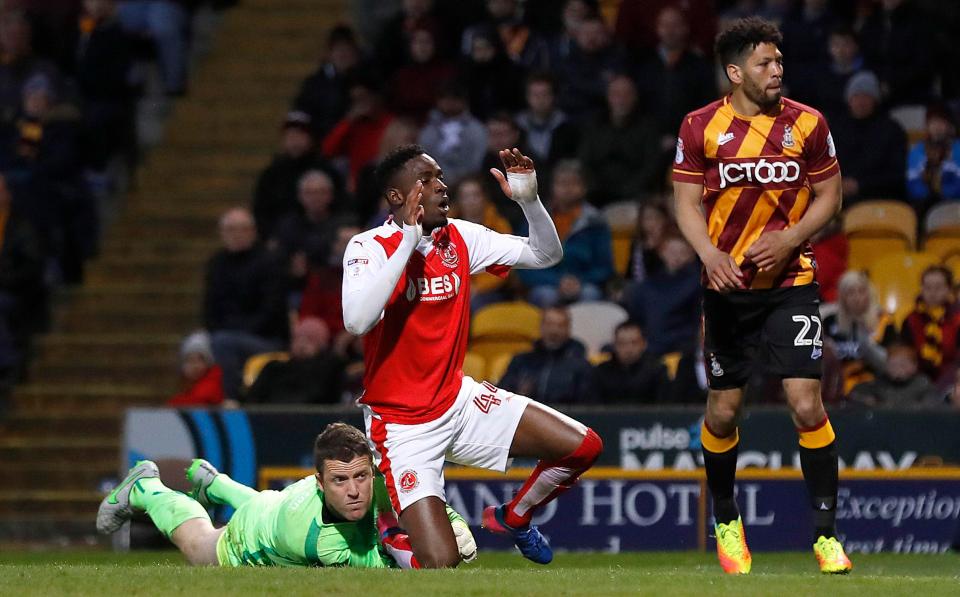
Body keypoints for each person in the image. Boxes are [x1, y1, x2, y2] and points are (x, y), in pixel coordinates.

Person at [342, 145, 602, 567]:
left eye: (440, 176)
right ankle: (389, 529)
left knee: (583, 448)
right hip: (403, 428)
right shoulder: (368, 247)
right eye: (428, 180)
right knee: (442, 565)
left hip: (457, 402)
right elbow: (356, 321)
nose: (443, 186)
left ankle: (516, 516)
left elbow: (546, 255)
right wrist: (408, 242)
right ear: (398, 197)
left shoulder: (461, 237)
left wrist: (530, 201)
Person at [672, 17, 852, 574]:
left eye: (778, 62)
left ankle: (826, 537)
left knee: (806, 403)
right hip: (727, 290)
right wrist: (709, 254)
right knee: (724, 413)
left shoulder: (808, 123)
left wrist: (792, 237)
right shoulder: (701, 126)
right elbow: (684, 203)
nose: (777, 71)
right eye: (764, 63)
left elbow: (830, 196)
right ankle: (727, 521)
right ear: (735, 72)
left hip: (792, 284)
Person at [97, 423, 476, 568]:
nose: (355, 490)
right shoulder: (315, 540)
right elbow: (391, 574)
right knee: (199, 545)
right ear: (320, 482)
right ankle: (146, 487)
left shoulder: (374, 485)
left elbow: (415, 501)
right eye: (341, 481)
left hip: (278, 503)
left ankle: (217, 485)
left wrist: (453, 522)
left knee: (268, 501)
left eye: (361, 476)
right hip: (253, 534)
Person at [498, 305, 596, 405]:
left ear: (568, 329)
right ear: (541, 327)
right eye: (549, 324)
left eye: (560, 325)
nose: (554, 331)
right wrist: (520, 395)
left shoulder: (581, 366)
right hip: (526, 417)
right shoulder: (521, 361)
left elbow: (587, 407)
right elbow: (502, 397)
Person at [823, 270, 897, 397]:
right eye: (850, 292)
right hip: (836, 385)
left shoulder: (884, 321)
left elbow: (891, 365)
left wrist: (867, 345)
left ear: (869, 294)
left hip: (874, 386)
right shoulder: (829, 322)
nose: (857, 297)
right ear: (842, 297)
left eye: (861, 291)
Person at [245, 318, 344, 405]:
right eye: (298, 339)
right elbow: (253, 401)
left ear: (321, 344)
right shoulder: (274, 368)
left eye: (310, 340)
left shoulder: (329, 369)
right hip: (269, 418)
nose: (302, 344)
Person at [899, 265, 960, 386]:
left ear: (948, 289)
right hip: (916, 383)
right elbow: (904, 357)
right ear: (921, 288)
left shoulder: (957, 319)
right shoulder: (910, 320)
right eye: (927, 287)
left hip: (951, 382)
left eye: (938, 287)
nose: (932, 292)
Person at [592, 321, 669, 403]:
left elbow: (664, 408)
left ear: (643, 344)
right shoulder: (601, 371)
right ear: (614, 345)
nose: (628, 349)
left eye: (634, 343)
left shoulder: (657, 370)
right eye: (622, 343)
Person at [848, 343, 941, 407]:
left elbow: (930, 408)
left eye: (903, 364)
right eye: (893, 364)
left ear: (914, 366)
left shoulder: (923, 385)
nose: (898, 369)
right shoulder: (876, 385)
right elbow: (857, 396)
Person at [167, 331, 224, 407]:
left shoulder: (212, 383)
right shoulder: (186, 386)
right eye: (190, 361)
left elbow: (197, 402)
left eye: (200, 360)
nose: (195, 366)